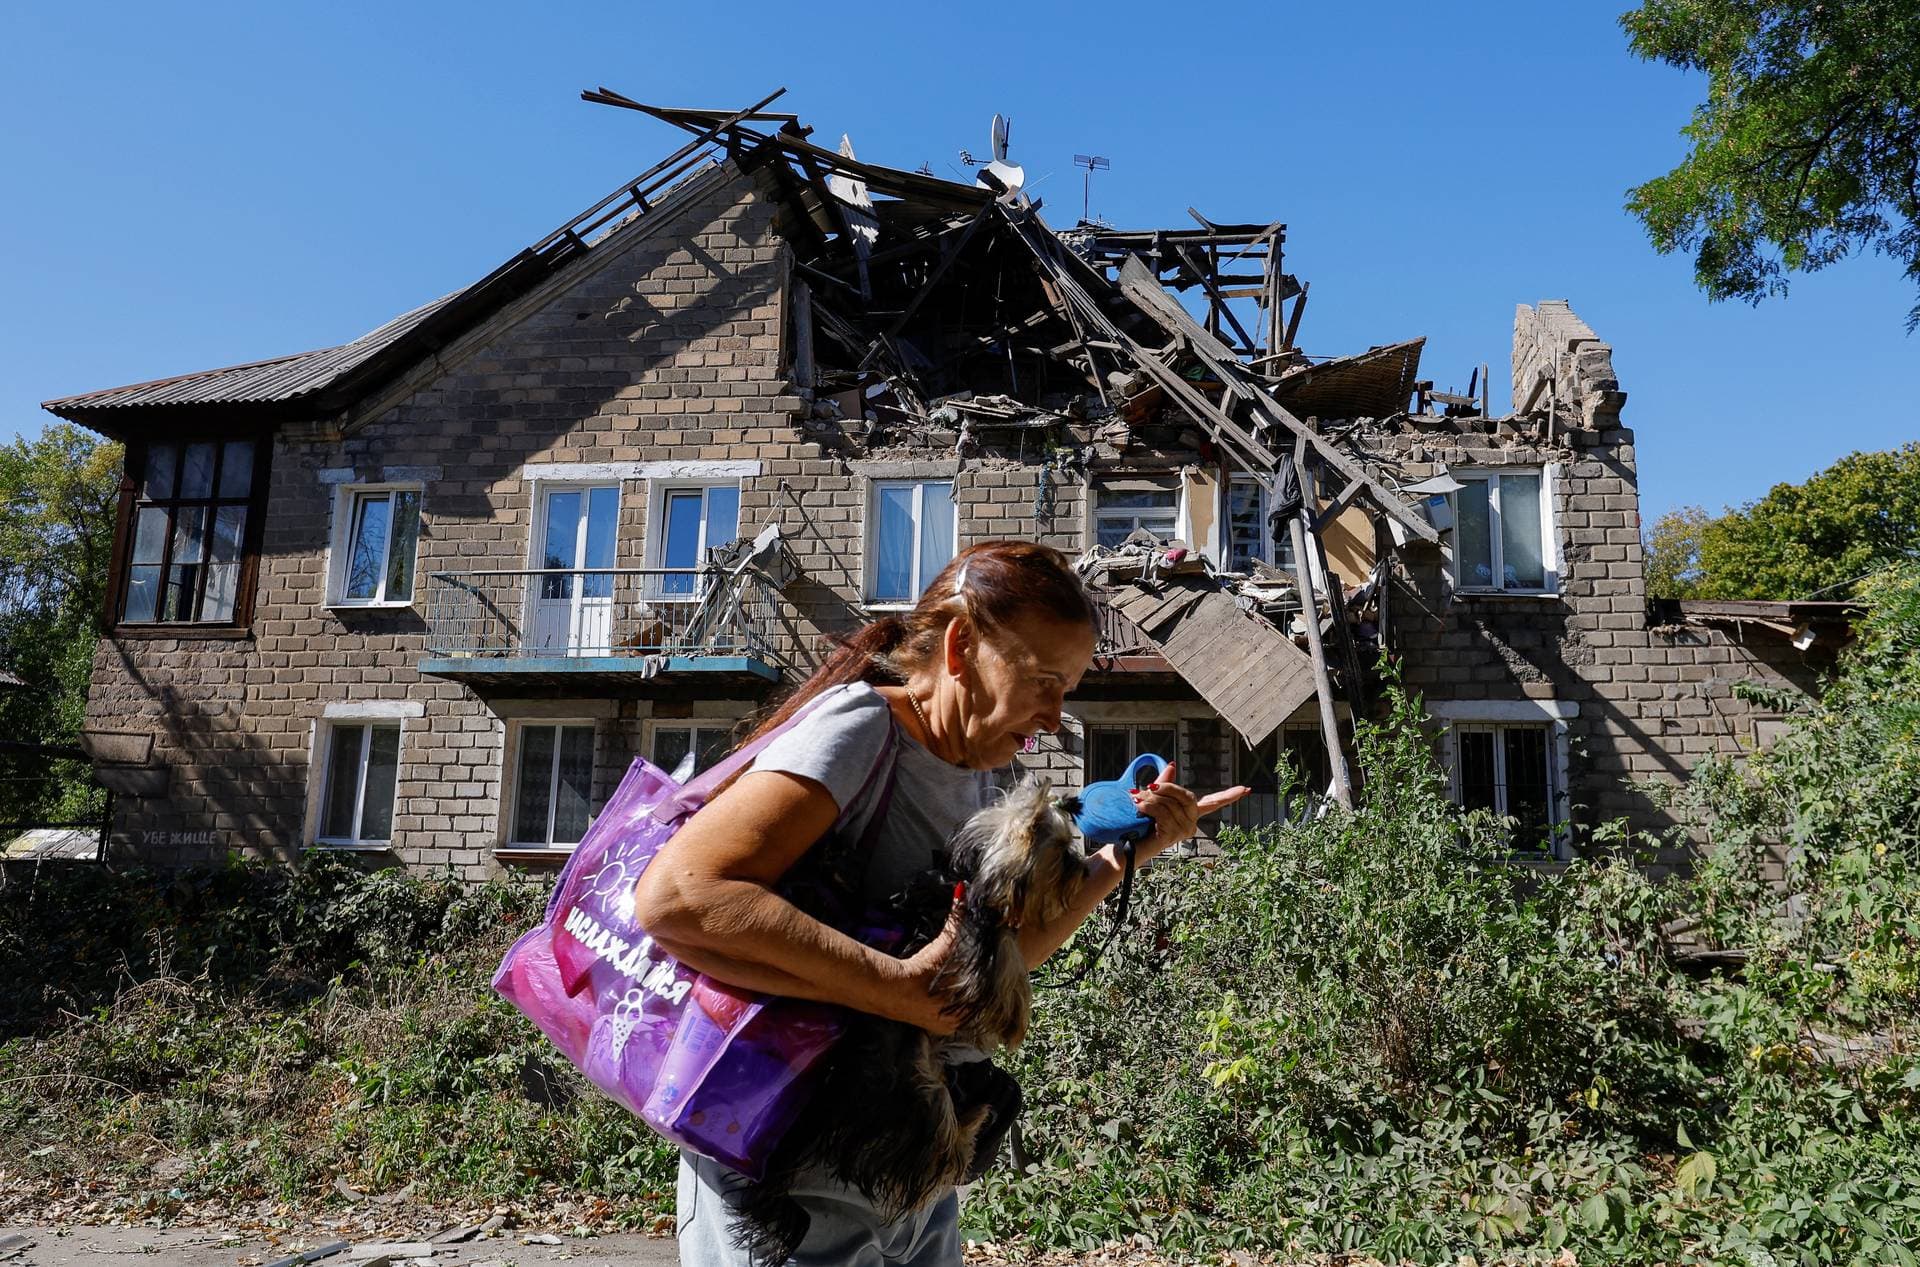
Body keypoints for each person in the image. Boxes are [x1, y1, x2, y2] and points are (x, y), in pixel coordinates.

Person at [633, 540, 1247, 1267]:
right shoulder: (862, 729)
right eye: (1045, 681)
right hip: (787, 1169)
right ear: (962, 646)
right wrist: (899, 990)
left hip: (909, 1164)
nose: (1054, 716)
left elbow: (989, 961)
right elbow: (677, 894)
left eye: (1069, 689)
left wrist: (1129, 854)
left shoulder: (974, 770)